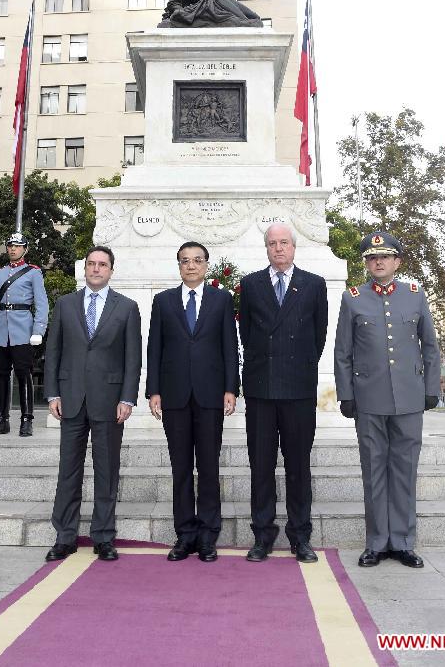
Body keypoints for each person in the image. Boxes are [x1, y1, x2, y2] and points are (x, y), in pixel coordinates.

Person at [334, 232, 441, 569]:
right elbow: (343, 354)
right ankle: (378, 542)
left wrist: (431, 388)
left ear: (397, 261)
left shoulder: (415, 294)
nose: (378, 262)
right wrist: (347, 396)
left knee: (405, 470)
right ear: (366, 263)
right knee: (374, 471)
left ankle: (404, 542)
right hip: (369, 400)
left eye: (384, 256)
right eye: (371, 257)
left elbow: (431, 347)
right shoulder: (353, 298)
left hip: (409, 398)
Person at [44, 246, 141, 562]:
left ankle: (103, 537)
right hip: (70, 400)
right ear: (84, 269)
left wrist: (127, 397)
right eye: (92, 264)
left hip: (110, 402)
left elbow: (132, 359)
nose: (96, 269)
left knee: (107, 471)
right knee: (68, 471)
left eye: (103, 264)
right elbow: (53, 352)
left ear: (111, 270)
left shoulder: (127, 308)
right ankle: (65, 536)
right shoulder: (65, 305)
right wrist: (53, 394)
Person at [239, 222, 328, 563]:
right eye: (273, 243)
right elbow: (247, 333)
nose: (278, 248)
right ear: (266, 249)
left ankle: (300, 536)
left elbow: (318, 336)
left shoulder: (314, 284)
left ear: (294, 247)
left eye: (284, 243)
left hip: (298, 389)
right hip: (262, 388)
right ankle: (262, 536)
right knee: (260, 466)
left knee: (298, 466)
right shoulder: (251, 284)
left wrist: (298, 368)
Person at [146, 242, 239, 563]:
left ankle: (209, 535)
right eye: (185, 261)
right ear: (179, 265)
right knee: (181, 467)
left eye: (197, 260)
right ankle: (185, 535)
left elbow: (230, 345)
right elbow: (154, 348)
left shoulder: (222, 300)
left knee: (209, 467)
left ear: (206, 264)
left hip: (211, 395)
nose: (191, 266)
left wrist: (231, 388)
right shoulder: (163, 301)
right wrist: (153, 390)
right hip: (174, 396)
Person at [0, 232, 48, 437]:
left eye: (18, 246)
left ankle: (27, 419)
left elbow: (42, 304)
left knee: (24, 375)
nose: (13, 249)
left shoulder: (33, 272)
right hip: (2, 331)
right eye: (10, 245)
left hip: (23, 330)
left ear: (25, 249)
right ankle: (1, 420)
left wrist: (38, 330)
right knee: (1, 376)